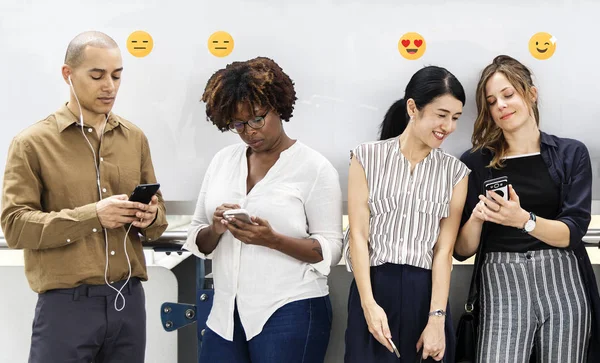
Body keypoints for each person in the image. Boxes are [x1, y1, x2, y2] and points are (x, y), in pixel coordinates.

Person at [1, 31, 168, 363]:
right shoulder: (32, 143)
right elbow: (15, 226)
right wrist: (93, 216)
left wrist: (151, 217)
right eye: (97, 75)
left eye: (117, 75)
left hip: (129, 303)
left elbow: (157, 216)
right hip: (66, 307)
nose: (110, 86)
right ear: (68, 74)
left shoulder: (135, 138)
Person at [183, 56, 343, 363]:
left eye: (257, 118)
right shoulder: (222, 162)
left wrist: (271, 239)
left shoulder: (314, 168)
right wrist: (215, 229)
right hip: (225, 315)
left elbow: (331, 249)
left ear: (278, 107)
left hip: (290, 309)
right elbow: (198, 238)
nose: (249, 131)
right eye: (238, 124)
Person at [454, 55, 600, 363]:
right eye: (492, 102)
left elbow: (572, 232)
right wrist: (479, 218)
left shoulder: (571, 154)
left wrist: (523, 220)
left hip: (562, 280)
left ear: (531, 95)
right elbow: (462, 250)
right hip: (502, 279)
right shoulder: (475, 162)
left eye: (508, 95)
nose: (501, 106)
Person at [344, 66, 469, 362]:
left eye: (455, 118)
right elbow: (359, 236)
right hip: (373, 287)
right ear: (413, 107)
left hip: (426, 296)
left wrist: (437, 318)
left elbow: (443, 250)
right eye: (441, 115)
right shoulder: (365, 157)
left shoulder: (456, 173)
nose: (448, 126)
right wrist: (368, 305)